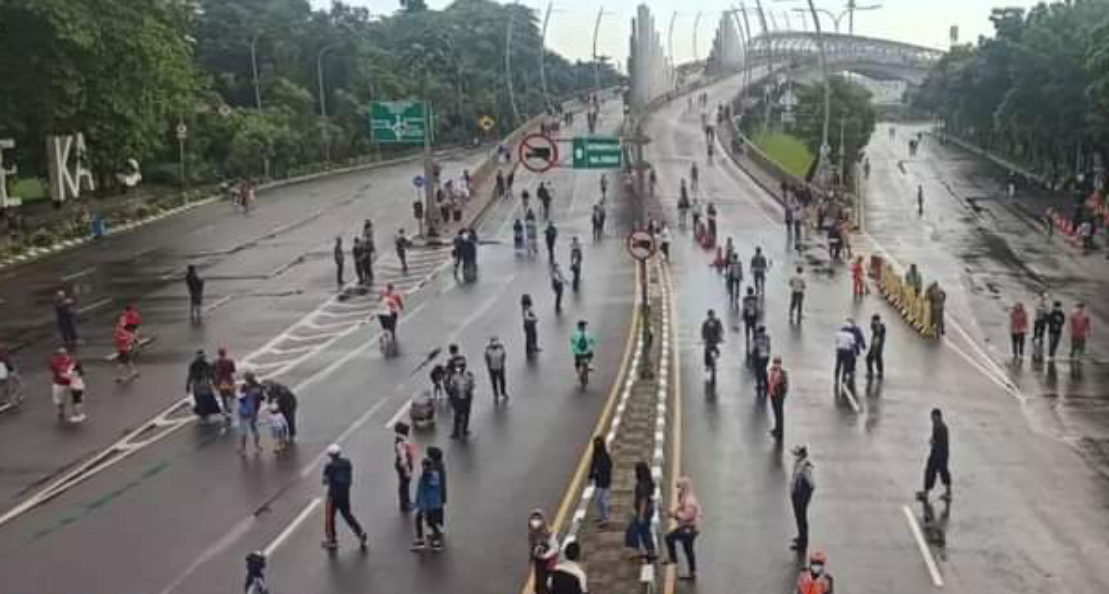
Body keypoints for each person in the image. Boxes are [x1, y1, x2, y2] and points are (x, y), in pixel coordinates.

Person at [321, 444, 369, 550]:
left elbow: (324, 481)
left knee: (330, 517)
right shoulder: (347, 463)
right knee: (347, 515)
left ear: (330, 455)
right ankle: (360, 533)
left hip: (333, 495)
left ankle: (331, 540)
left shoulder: (329, 466)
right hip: (345, 493)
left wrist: (329, 479)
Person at [663, 476, 702, 580]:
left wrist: (675, 515)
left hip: (689, 528)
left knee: (669, 538)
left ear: (684, 487)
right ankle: (692, 572)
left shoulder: (689, 501)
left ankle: (673, 558)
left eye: (680, 487)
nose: (678, 490)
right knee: (688, 549)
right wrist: (674, 512)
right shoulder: (686, 496)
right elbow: (680, 506)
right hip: (689, 527)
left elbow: (687, 516)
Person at [916, 408, 952, 503]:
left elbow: (938, 441)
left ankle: (945, 493)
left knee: (938, 472)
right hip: (939, 453)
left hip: (939, 454)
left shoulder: (940, 427)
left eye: (933, 416)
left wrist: (933, 442)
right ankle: (929, 492)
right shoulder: (938, 425)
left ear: (938, 416)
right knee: (933, 472)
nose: (931, 418)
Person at [625, 461, 657, 561]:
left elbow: (643, 500)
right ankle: (650, 551)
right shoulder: (648, 481)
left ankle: (639, 551)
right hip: (649, 509)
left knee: (632, 530)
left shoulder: (642, 484)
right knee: (644, 531)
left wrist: (641, 515)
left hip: (644, 511)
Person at [412, 456, 444, 551]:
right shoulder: (435, 475)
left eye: (423, 465)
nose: (422, 467)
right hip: (434, 504)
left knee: (420, 520)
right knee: (431, 522)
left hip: (426, 504)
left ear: (425, 466)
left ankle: (421, 542)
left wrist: (420, 506)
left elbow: (423, 492)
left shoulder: (425, 477)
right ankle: (435, 543)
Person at [790, 445, 815, 551]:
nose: (795, 456)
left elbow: (811, 484)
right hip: (796, 494)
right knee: (798, 518)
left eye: (796, 453)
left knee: (802, 518)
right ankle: (800, 536)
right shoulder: (798, 463)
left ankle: (803, 543)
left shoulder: (805, 466)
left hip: (801, 496)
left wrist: (805, 496)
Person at [528, 510, 559, 594]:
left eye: (538, 519)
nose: (535, 522)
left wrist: (545, 556)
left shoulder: (548, 533)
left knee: (544, 585)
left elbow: (555, 548)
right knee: (539, 585)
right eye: (533, 519)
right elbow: (532, 545)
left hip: (548, 563)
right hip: (538, 561)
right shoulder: (532, 532)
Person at [187, 350, 222, 422]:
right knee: (207, 397)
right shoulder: (206, 364)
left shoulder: (193, 364)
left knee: (200, 398)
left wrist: (188, 384)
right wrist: (215, 384)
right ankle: (207, 412)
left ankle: (203, 413)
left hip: (197, 384)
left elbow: (190, 375)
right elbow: (212, 374)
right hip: (204, 383)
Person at [237, 373, 264, 455]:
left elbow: (240, 399)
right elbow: (262, 398)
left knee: (243, 430)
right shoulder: (259, 387)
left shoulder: (244, 387)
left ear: (246, 379)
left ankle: (243, 449)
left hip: (244, 412)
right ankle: (257, 447)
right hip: (254, 411)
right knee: (254, 429)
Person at [448, 359, 475, 438]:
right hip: (458, 398)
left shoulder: (469, 375)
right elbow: (451, 387)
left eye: (461, 366)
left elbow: (472, 385)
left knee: (466, 414)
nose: (460, 368)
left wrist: (468, 391)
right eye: (459, 366)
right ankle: (456, 432)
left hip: (466, 398)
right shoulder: (454, 377)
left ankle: (464, 430)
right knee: (457, 415)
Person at [588, 436, 612, 525]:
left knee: (604, 500)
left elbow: (609, 466)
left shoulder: (605, 455)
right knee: (598, 499)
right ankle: (600, 516)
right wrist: (590, 477)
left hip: (605, 481)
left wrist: (599, 472)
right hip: (598, 482)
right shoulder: (595, 455)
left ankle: (606, 518)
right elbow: (592, 466)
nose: (597, 445)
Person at [49, 347, 75, 421]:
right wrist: (66, 374)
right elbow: (58, 372)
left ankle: (75, 412)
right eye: (61, 354)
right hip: (59, 383)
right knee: (59, 400)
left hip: (70, 383)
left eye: (64, 353)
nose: (63, 355)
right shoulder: (54, 362)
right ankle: (61, 411)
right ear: (58, 355)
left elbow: (74, 371)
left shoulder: (71, 361)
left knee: (74, 398)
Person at [214, 348, 237, 426]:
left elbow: (213, 371)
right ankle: (230, 410)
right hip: (229, 381)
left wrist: (215, 383)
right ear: (225, 353)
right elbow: (233, 371)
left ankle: (226, 410)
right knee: (232, 396)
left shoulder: (215, 362)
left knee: (223, 397)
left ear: (218, 353)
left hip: (221, 382)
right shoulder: (230, 361)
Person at [767, 356, 788, 441]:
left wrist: (782, 394)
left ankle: (779, 432)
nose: (776, 365)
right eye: (775, 363)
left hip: (779, 395)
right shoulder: (771, 371)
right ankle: (776, 429)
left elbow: (785, 386)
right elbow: (769, 381)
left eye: (778, 363)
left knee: (779, 414)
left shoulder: (783, 373)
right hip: (773, 394)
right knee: (776, 413)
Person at [484, 335, 508, 401]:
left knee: (502, 381)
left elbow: (504, 356)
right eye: (493, 342)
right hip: (492, 368)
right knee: (494, 382)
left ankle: (503, 392)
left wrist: (502, 364)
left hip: (500, 367)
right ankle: (496, 394)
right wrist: (489, 368)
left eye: (495, 341)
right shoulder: (488, 349)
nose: (494, 343)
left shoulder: (501, 347)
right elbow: (487, 359)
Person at [833, 323, 857, 388]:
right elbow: (852, 344)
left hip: (839, 350)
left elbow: (836, 341)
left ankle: (836, 377)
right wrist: (854, 352)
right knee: (846, 365)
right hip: (847, 351)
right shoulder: (851, 335)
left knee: (838, 364)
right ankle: (843, 378)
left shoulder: (838, 334)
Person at [866, 314, 887, 379]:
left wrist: (874, 346)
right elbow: (872, 328)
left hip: (876, 345)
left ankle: (871, 372)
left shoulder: (879, 327)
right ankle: (879, 372)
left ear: (876, 320)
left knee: (869, 358)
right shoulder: (877, 326)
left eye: (873, 320)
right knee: (878, 358)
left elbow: (878, 336)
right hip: (877, 344)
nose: (871, 321)